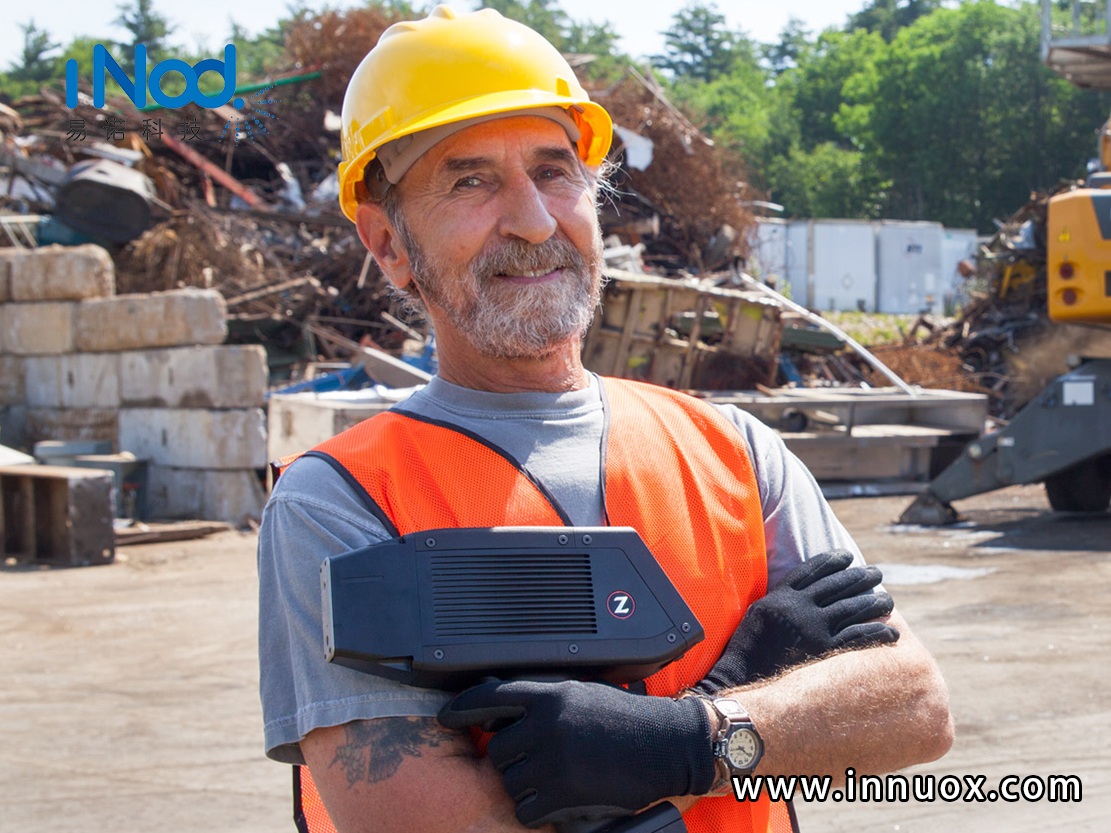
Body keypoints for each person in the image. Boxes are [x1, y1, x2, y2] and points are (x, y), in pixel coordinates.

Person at [257, 7, 953, 833]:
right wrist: (740, 709)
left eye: (553, 171)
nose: (533, 220)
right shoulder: (340, 504)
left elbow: (912, 707)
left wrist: (691, 737)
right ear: (387, 243)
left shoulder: (733, 452)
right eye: (470, 181)